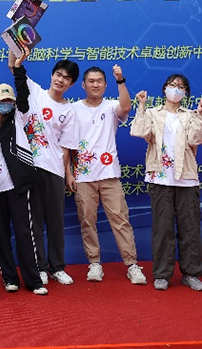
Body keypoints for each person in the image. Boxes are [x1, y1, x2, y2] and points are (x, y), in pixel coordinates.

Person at [130, 74, 202, 291]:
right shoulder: (153, 113)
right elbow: (138, 131)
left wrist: (200, 114)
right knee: (162, 227)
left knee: (189, 227)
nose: (176, 89)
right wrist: (141, 105)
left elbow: (197, 139)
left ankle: (191, 274)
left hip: (186, 178)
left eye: (181, 87)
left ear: (186, 93)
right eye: (172, 85)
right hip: (160, 177)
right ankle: (162, 274)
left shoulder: (190, 115)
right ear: (165, 88)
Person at [71, 65, 146, 285]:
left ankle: (132, 264)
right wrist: (69, 173)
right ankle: (94, 263)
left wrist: (120, 79)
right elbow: (66, 143)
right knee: (87, 221)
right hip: (83, 176)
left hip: (109, 174)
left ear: (105, 84)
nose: (95, 84)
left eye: (99, 81)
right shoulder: (73, 109)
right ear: (83, 85)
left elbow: (126, 107)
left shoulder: (112, 106)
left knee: (120, 219)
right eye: (91, 81)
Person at [10, 52, 80, 285]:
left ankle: (57, 267)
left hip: (54, 170)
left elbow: (66, 147)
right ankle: (39, 267)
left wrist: (68, 174)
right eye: (58, 75)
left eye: (66, 78)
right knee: (35, 221)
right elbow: (13, 67)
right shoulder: (35, 92)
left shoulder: (69, 111)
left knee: (56, 221)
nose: (60, 80)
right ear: (52, 75)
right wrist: (16, 46)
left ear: (71, 84)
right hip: (30, 167)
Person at [0, 82, 47, 296]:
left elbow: (23, 94)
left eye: (9, 101)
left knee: (24, 233)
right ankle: (9, 277)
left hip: (18, 186)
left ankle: (33, 280)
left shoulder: (19, 118)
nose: (5, 104)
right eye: (1, 100)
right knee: (1, 234)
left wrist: (17, 68)